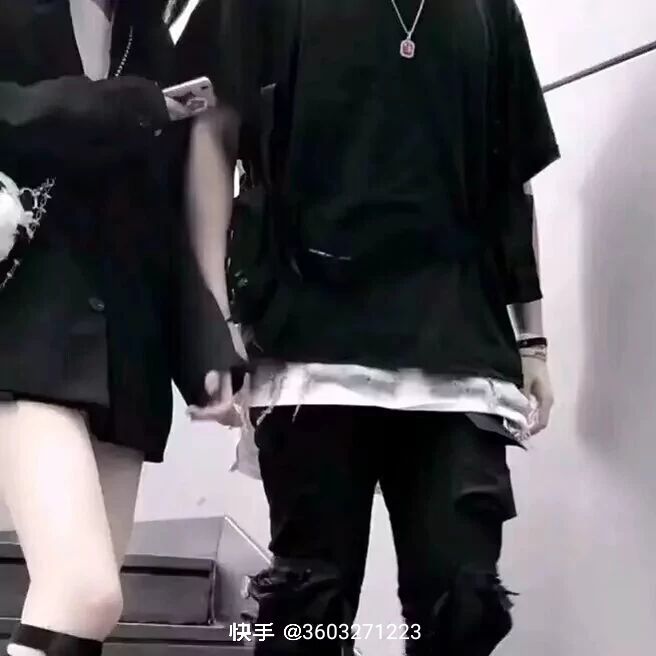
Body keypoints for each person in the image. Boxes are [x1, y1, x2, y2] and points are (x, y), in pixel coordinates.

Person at [216, 2, 559, 655]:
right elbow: (217, 140)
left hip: (460, 351)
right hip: (310, 351)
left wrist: (533, 339)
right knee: (305, 620)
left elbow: (511, 179)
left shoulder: (488, 9)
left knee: (462, 610)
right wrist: (220, 311)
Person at [0, 2, 242, 655]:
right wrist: (126, 106)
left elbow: (159, 217)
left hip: (121, 356)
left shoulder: (147, 36)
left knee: (81, 612)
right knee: (84, 591)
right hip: (22, 332)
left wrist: (204, 347)